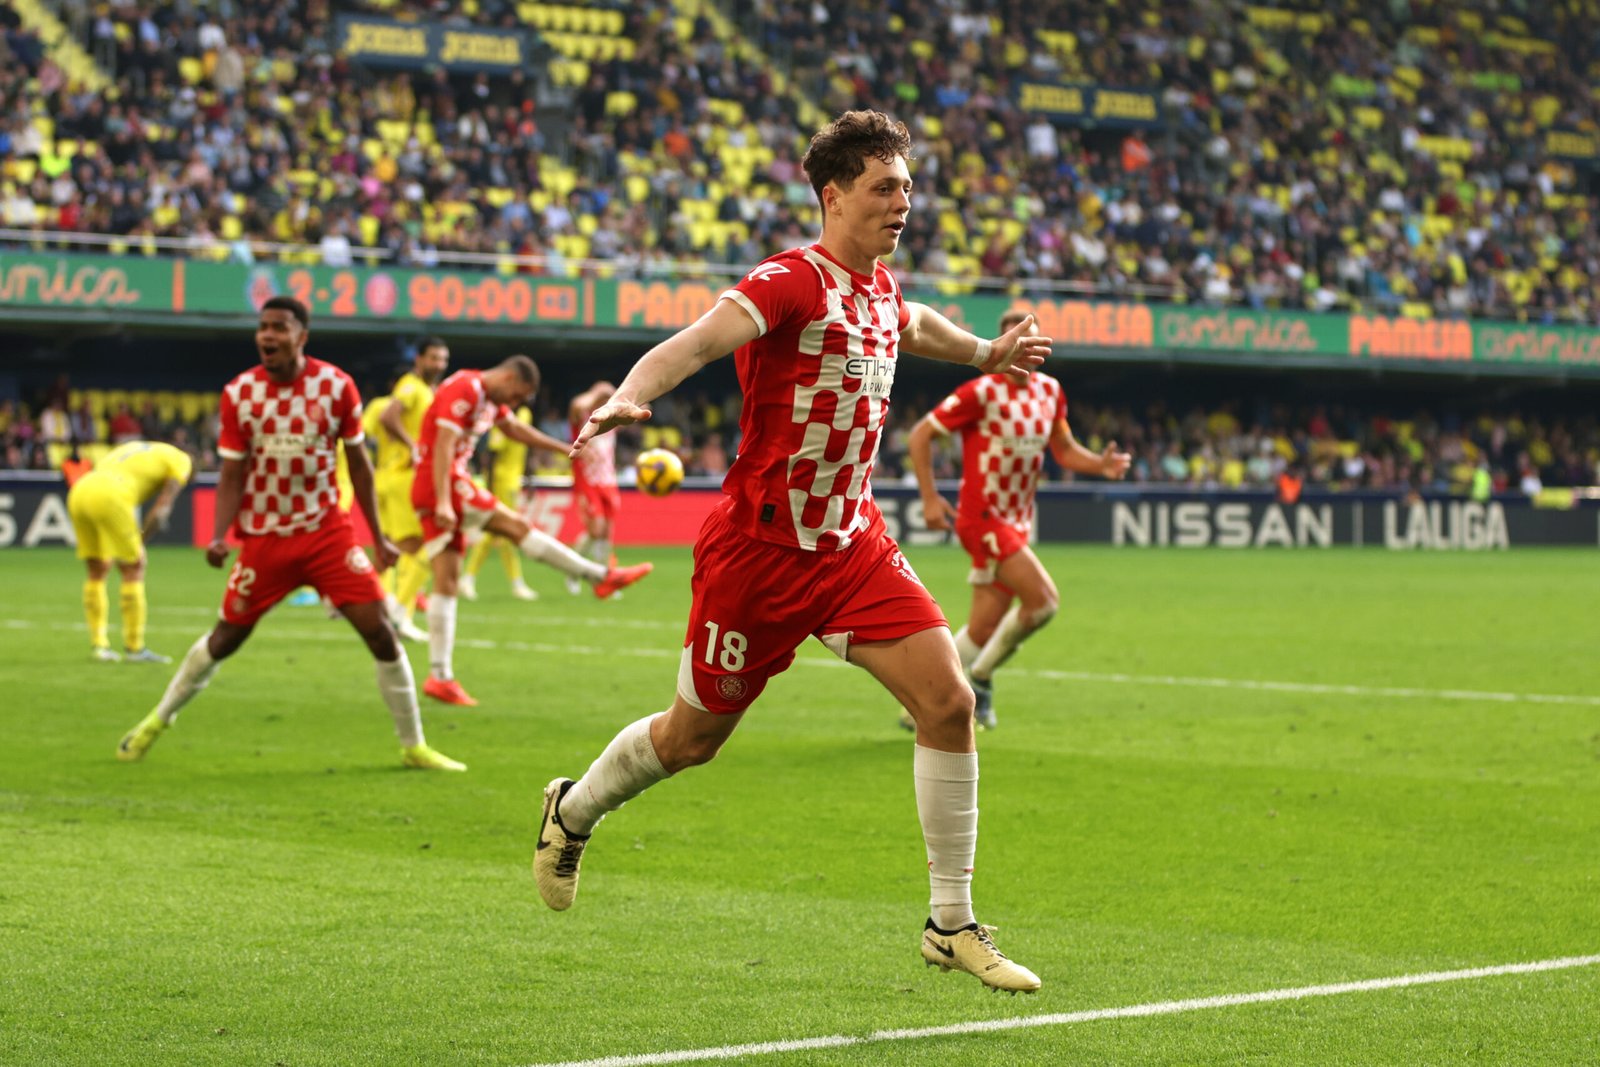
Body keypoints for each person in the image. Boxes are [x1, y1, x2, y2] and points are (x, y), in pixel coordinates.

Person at [534, 110, 1049, 993]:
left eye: (908, 189)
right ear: (834, 194)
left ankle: (950, 921)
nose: (903, 204)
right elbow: (694, 342)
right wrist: (627, 395)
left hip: (851, 545)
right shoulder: (788, 282)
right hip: (758, 555)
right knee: (691, 740)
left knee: (949, 701)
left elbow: (918, 325)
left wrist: (985, 354)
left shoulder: (881, 290)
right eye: (885, 188)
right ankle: (572, 809)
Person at [115, 297, 465, 772]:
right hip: (265, 540)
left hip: (327, 535)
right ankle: (157, 721)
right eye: (262, 327)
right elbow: (232, 474)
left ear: (301, 336)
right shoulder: (239, 393)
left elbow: (359, 466)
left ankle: (413, 746)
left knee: (380, 632)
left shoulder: (335, 386)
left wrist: (378, 537)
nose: (267, 335)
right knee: (225, 639)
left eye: (279, 327)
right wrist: (221, 534)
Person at [908, 310, 1132, 730]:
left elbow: (1064, 449)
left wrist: (1099, 466)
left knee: (983, 626)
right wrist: (930, 499)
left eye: (1036, 343)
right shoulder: (981, 392)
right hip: (983, 518)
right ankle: (981, 679)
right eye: (1021, 342)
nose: (1029, 351)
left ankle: (917, 705)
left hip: (1016, 519)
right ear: (1007, 343)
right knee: (1043, 602)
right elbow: (921, 435)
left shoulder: (1050, 391)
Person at [412, 357, 655, 707]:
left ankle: (440, 676)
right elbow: (443, 445)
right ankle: (598, 576)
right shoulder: (464, 388)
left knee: (447, 580)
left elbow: (515, 430)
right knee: (516, 527)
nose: (515, 403)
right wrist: (443, 501)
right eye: (517, 394)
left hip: (437, 486)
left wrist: (560, 448)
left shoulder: (488, 399)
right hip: (444, 483)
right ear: (508, 376)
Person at [66, 438, 192, 663]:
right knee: (134, 566)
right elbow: (162, 508)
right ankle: (135, 648)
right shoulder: (182, 460)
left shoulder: (137, 447)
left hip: (81, 490)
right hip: (111, 495)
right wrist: (141, 541)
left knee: (97, 569)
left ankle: (99, 646)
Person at [379, 338, 452, 639]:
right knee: (417, 546)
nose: (438, 365)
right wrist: (414, 446)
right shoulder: (410, 386)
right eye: (433, 358)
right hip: (404, 475)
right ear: (418, 359)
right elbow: (387, 417)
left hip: (394, 475)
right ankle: (399, 613)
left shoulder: (427, 390)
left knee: (395, 547)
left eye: (443, 359)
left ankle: (384, 607)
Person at [459, 401, 540, 603]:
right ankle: (515, 583)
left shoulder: (525, 413)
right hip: (502, 482)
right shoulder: (503, 419)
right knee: (505, 532)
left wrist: (528, 479)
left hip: (514, 481)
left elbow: (526, 446)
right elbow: (492, 455)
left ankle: (469, 578)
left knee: (497, 533)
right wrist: (491, 489)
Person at [563, 380, 621, 596]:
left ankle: (604, 579)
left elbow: (644, 407)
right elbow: (576, 404)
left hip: (608, 481)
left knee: (606, 533)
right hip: (587, 481)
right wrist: (599, 392)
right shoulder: (583, 416)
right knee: (594, 530)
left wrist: (615, 399)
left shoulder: (613, 418)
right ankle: (572, 571)